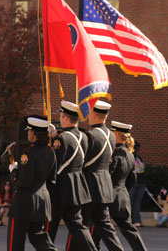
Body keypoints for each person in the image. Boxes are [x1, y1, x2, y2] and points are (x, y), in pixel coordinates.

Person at [67, 100, 124, 251]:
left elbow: (81, 160)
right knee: (105, 227)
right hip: (104, 185)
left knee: (79, 225)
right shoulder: (111, 135)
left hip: (89, 186)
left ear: (93, 113)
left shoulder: (90, 135)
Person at [1, 116, 58, 251]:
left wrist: (13, 171)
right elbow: (52, 179)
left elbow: (25, 181)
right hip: (42, 201)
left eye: (29, 130)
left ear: (35, 133)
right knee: (39, 239)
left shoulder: (27, 153)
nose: (27, 133)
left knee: (15, 243)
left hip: (24, 203)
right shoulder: (51, 152)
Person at [48, 100, 98, 251]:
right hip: (76, 187)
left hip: (60, 189)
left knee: (49, 229)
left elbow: (54, 164)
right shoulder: (85, 137)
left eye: (61, 116)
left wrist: (51, 141)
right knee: (77, 226)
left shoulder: (61, 139)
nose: (60, 119)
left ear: (66, 118)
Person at [92, 121, 147, 251]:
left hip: (108, 196)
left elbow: (107, 176)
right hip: (122, 196)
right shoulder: (130, 155)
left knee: (98, 227)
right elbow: (132, 180)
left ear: (116, 134)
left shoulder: (114, 155)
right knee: (128, 229)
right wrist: (122, 191)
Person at [129, 141, 146, 227]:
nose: (137, 150)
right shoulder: (129, 157)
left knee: (137, 203)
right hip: (132, 183)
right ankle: (129, 220)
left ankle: (136, 220)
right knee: (130, 202)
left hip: (141, 183)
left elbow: (142, 170)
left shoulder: (139, 158)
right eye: (136, 148)